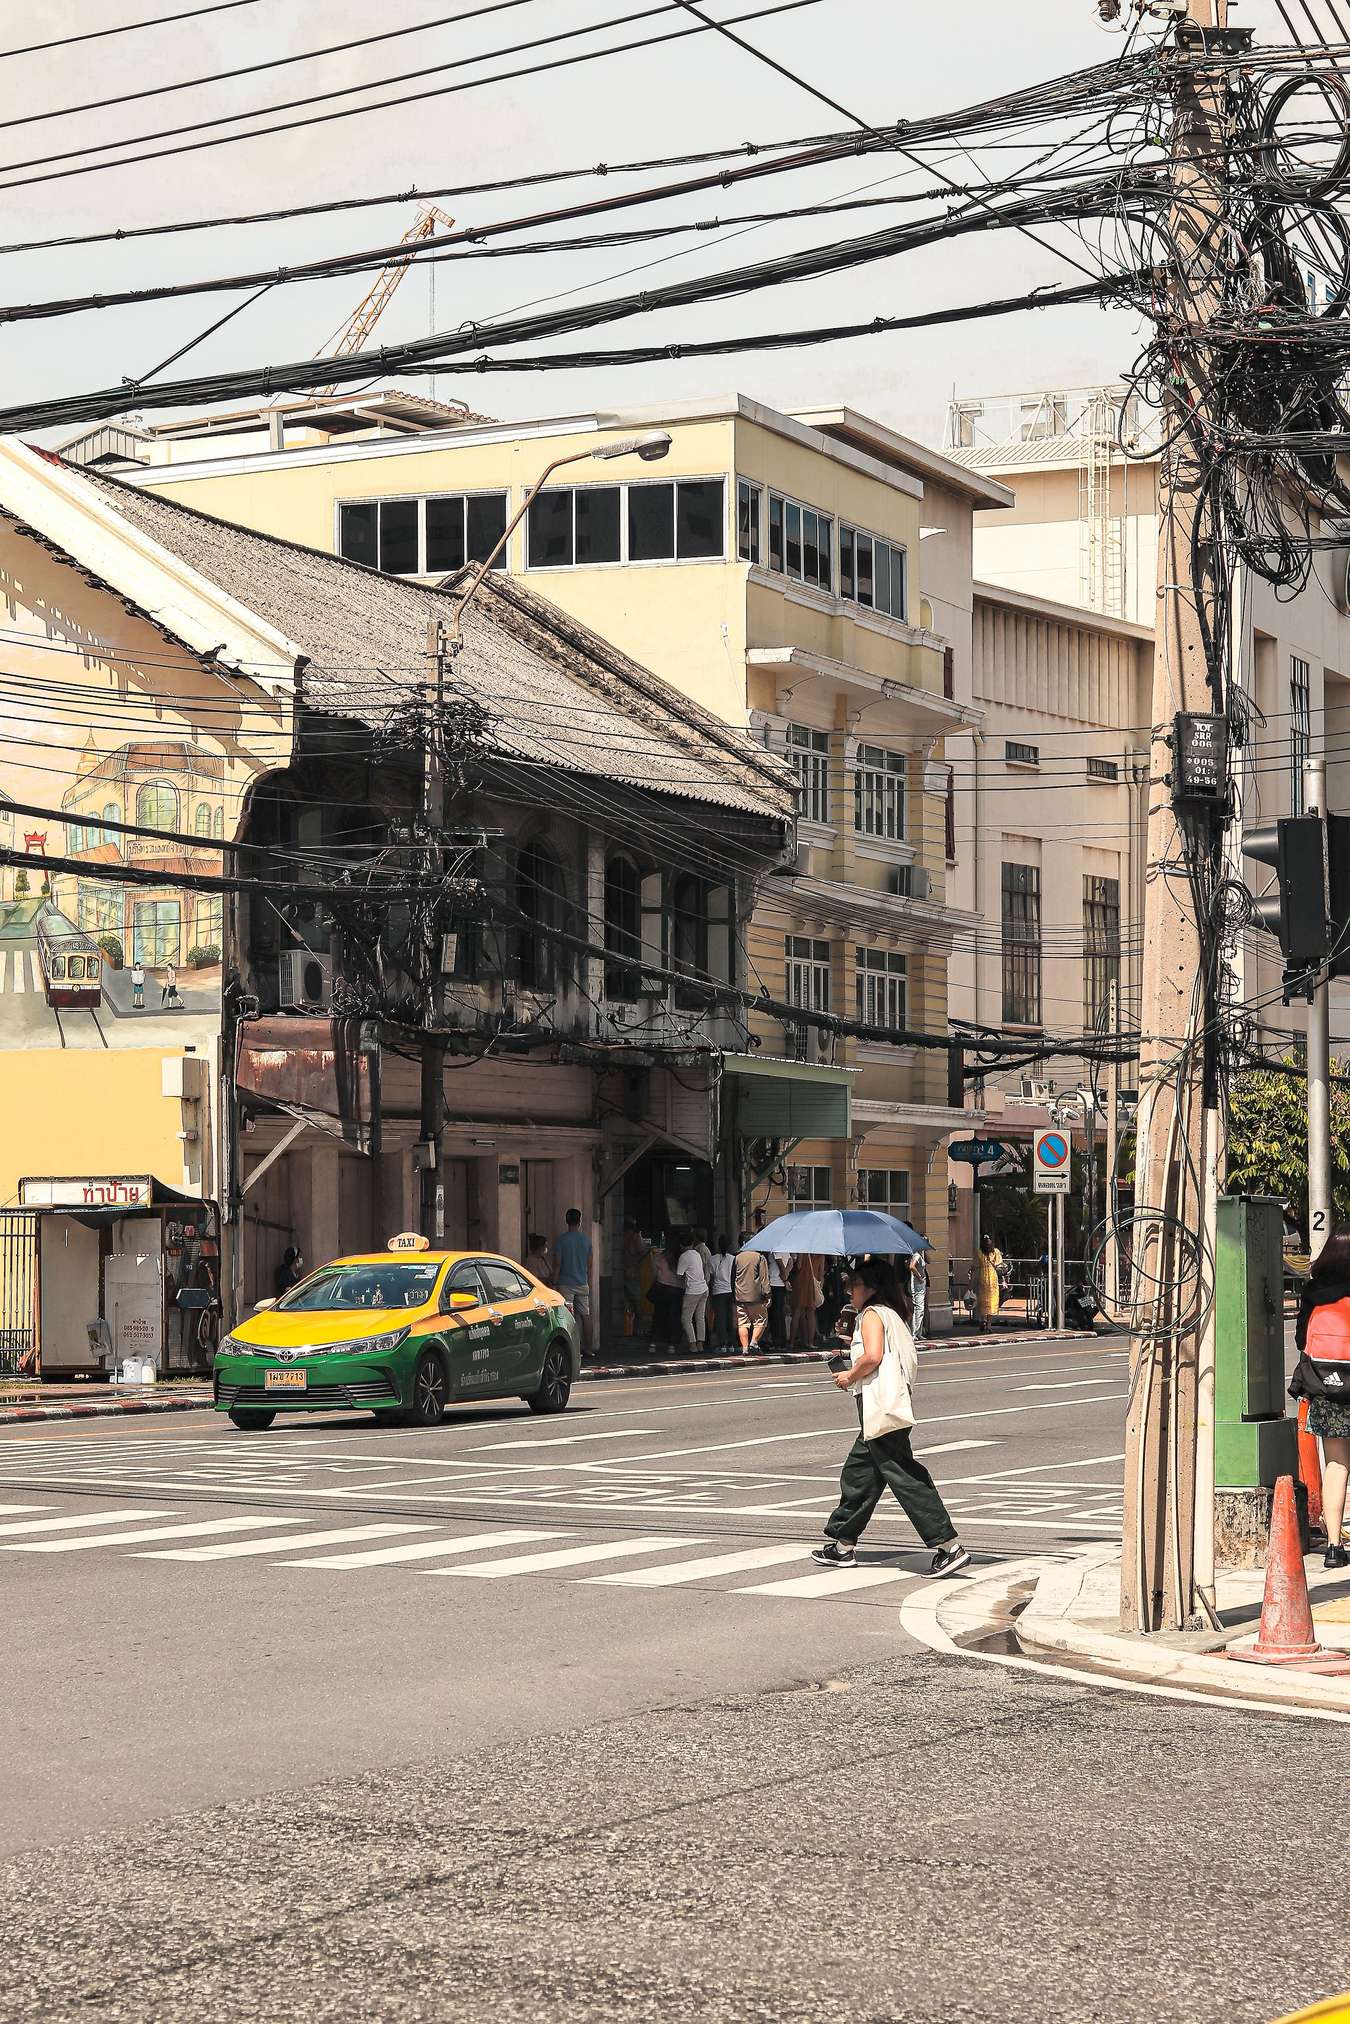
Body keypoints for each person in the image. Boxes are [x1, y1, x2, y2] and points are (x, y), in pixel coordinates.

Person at [811, 1256, 969, 1578]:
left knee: (903, 1475)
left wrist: (849, 1376)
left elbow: (873, 1356)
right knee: (860, 1475)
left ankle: (948, 1545)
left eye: (853, 1286)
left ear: (869, 1287)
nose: (849, 1292)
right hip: (886, 1405)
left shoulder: (870, 1314)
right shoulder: (894, 1315)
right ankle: (843, 1545)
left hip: (879, 1406)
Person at [1291, 1227, 1350, 1568]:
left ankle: (1332, 1546)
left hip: (1326, 1390)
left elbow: (1302, 1340)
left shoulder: (1314, 1291)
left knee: (1336, 1466)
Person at [554, 1207, 593, 1356]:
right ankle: (589, 1348)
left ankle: (572, 1349)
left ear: (566, 1221)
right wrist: (588, 1281)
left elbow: (557, 1263)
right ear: (580, 1221)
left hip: (565, 1283)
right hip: (582, 1281)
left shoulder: (561, 1240)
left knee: (568, 1316)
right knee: (585, 1315)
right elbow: (590, 1264)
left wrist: (555, 1281)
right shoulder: (586, 1240)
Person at [733, 1236, 771, 1354]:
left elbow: (732, 1277)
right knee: (761, 1320)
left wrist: (734, 1294)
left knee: (742, 1322)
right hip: (756, 1295)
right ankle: (753, 1343)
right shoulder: (759, 1257)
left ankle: (745, 1348)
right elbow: (764, 1278)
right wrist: (768, 1294)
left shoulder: (737, 1257)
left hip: (739, 1295)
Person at [676, 1228, 709, 1350]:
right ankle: (700, 1344)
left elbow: (679, 1275)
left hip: (693, 1290)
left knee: (686, 1318)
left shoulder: (684, 1256)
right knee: (700, 1317)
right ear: (692, 1242)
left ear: (681, 1244)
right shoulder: (697, 1254)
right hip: (703, 1288)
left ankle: (692, 1344)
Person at [621, 1217, 650, 1338]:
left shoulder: (622, 1237)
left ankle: (628, 1329)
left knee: (626, 1304)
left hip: (623, 1272)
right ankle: (636, 1330)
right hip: (632, 1274)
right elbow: (644, 1252)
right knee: (636, 1304)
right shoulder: (635, 1237)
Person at [650, 1242, 683, 1347]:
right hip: (677, 1289)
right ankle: (673, 1342)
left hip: (662, 1287)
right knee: (674, 1316)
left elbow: (654, 1273)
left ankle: (654, 1340)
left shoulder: (659, 1257)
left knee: (659, 1315)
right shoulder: (681, 1258)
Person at [790, 1253, 824, 1348]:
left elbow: (799, 1266)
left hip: (801, 1282)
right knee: (811, 1313)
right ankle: (810, 1342)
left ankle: (791, 1342)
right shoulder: (821, 1254)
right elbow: (821, 1274)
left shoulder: (803, 1251)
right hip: (812, 1284)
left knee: (797, 1313)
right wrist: (819, 1287)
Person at [708, 1236, 735, 1350]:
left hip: (718, 1292)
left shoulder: (712, 1259)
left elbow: (711, 1278)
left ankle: (723, 1343)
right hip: (731, 1291)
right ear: (729, 1246)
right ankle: (732, 1344)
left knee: (720, 1318)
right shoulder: (734, 1259)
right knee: (731, 1318)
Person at [975, 1233, 1003, 1328]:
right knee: (991, 1300)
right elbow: (999, 1264)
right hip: (991, 1278)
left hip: (983, 1277)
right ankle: (988, 1324)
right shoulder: (995, 1252)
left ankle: (984, 1320)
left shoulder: (979, 1252)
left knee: (984, 1300)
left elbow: (975, 1265)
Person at [767, 1250, 793, 1347]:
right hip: (781, 1283)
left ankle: (777, 1340)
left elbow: (780, 1263)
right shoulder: (786, 1249)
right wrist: (786, 1274)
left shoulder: (776, 1249)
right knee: (779, 1312)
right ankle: (781, 1339)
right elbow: (790, 1262)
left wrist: (784, 1276)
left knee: (775, 1314)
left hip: (775, 1282)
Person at [909, 1246, 929, 1343]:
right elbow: (911, 1267)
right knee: (919, 1308)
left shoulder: (921, 1255)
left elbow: (930, 1261)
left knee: (920, 1308)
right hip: (918, 1284)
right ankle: (914, 1333)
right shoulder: (916, 1255)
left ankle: (919, 1333)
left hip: (921, 1284)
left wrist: (925, 1252)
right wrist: (920, 1277)